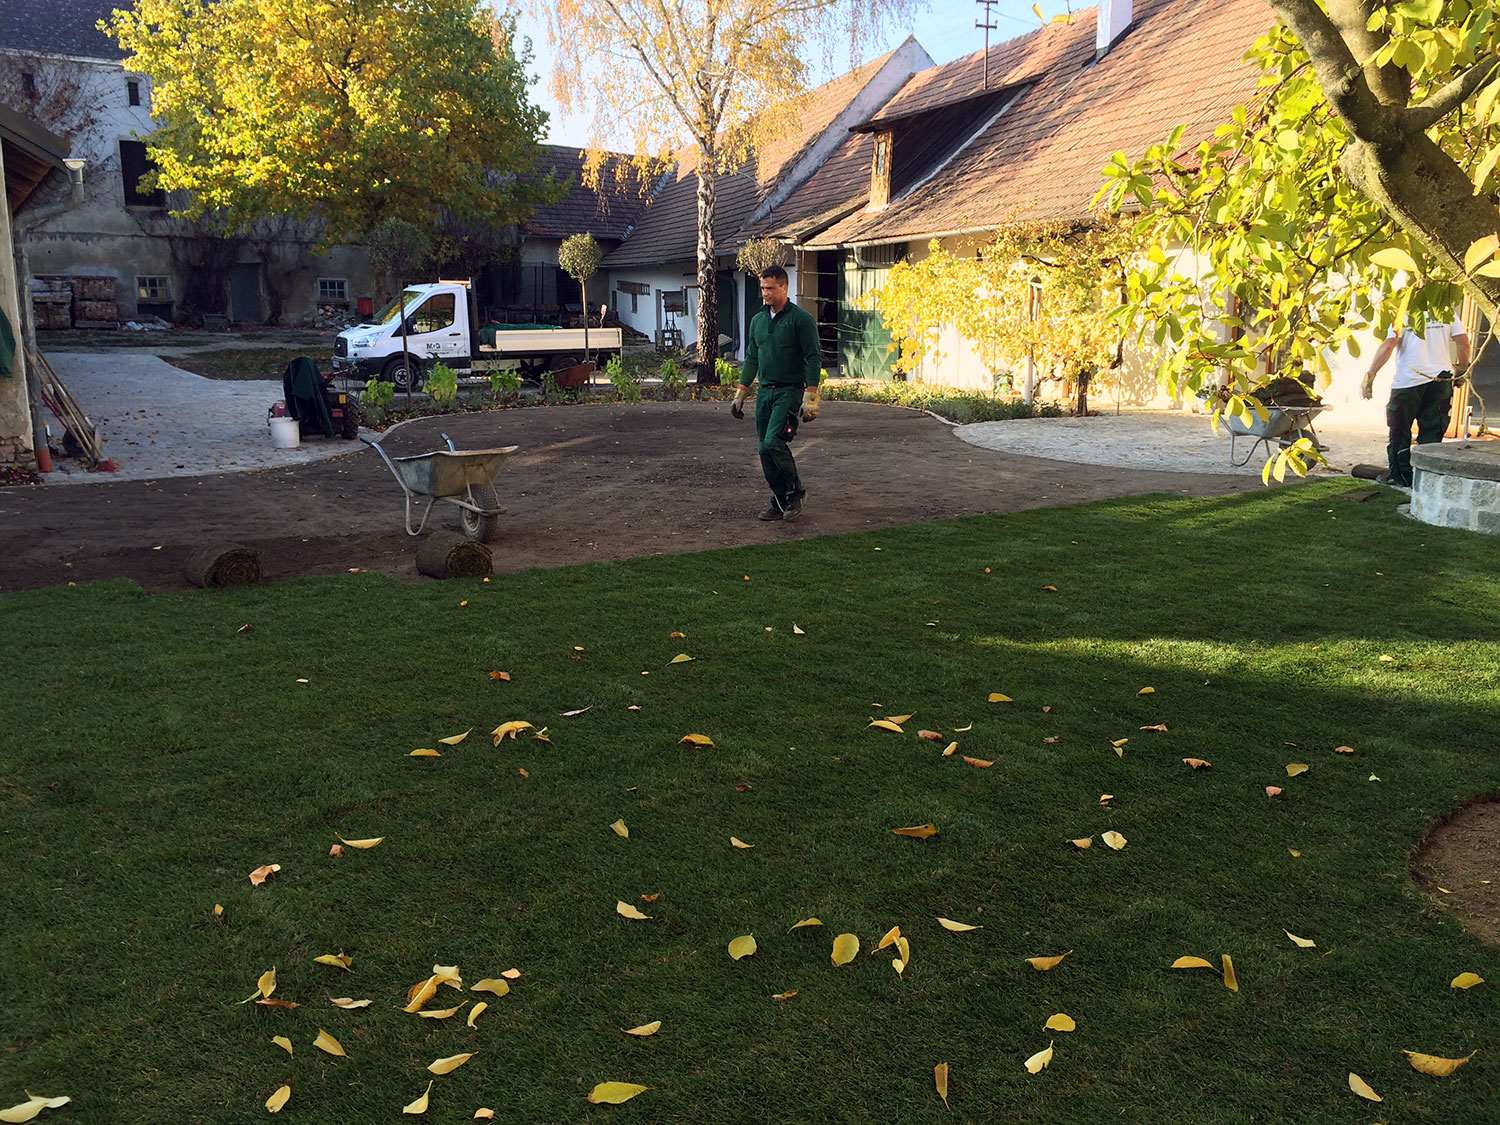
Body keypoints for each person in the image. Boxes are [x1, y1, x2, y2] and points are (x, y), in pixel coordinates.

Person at [731, 266, 822, 521]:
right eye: (762, 288)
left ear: (784, 288)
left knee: (773, 442)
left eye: (770, 288)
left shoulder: (801, 320)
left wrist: (811, 399)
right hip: (765, 392)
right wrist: (740, 393)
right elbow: (752, 358)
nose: (765, 293)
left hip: (789, 391)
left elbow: (814, 358)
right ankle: (780, 501)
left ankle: (796, 493)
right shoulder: (758, 320)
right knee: (763, 449)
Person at [1361, 310, 1469, 486]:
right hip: (1440, 381)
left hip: (1408, 381)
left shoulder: (1403, 312)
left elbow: (1388, 346)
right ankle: (1426, 479)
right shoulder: (1445, 311)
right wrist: (1462, 371)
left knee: (1400, 430)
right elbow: (1463, 343)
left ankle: (1400, 477)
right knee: (1432, 432)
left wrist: (1370, 375)